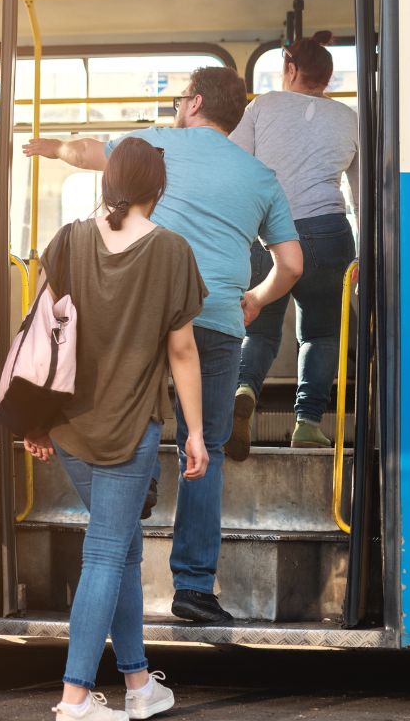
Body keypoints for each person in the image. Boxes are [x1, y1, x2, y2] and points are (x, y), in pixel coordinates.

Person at [23, 66, 303, 624]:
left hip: (145, 313)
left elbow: (85, 152)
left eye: (181, 98)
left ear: (195, 103)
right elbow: (292, 264)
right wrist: (255, 299)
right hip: (219, 319)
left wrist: (49, 145)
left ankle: (141, 486)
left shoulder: (155, 146)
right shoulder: (261, 175)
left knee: (136, 421)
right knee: (208, 448)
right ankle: (195, 588)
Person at [25, 138, 208, 721]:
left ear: (108, 184)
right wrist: (197, 433)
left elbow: (42, 337)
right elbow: (182, 352)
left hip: (71, 430)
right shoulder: (172, 251)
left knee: (123, 551)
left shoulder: (69, 241)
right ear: (159, 189)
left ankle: (137, 685)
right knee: (106, 553)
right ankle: (75, 698)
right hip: (130, 432)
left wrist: (37, 418)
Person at [227, 32, 359, 456]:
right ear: (328, 78)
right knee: (321, 334)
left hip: (267, 232)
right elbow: (362, 194)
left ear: (289, 69)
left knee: (260, 328)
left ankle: (244, 390)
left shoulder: (262, 106)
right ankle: (307, 423)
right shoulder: (350, 119)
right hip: (328, 232)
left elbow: (234, 165)